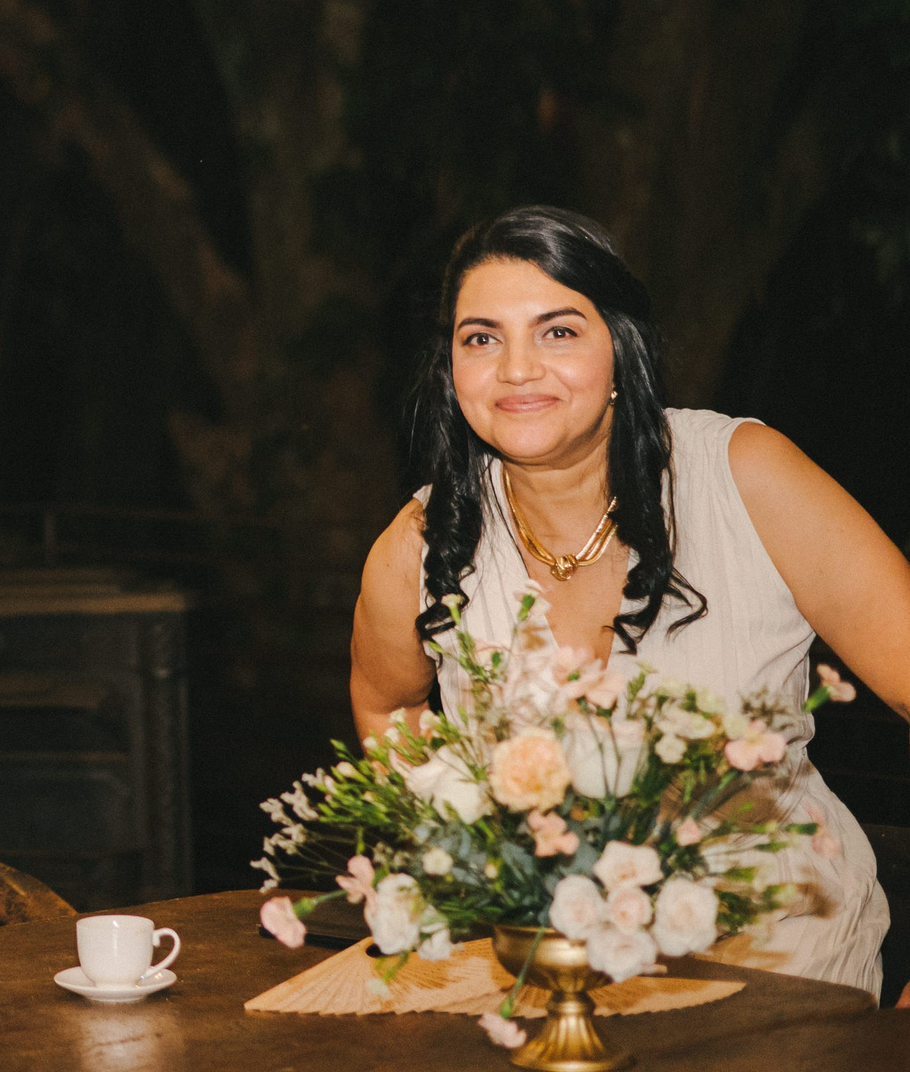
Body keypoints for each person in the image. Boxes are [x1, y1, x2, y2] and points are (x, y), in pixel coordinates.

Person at [350, 205, 906, 998]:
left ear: (622, 347)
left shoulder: (745, 480)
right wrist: (469, 859)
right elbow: (386, 709)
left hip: (786, 985)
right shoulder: (422, 541)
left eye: (558, 330)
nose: (515, 369)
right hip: (548, 986)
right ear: (451, 368)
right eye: (481, 338)